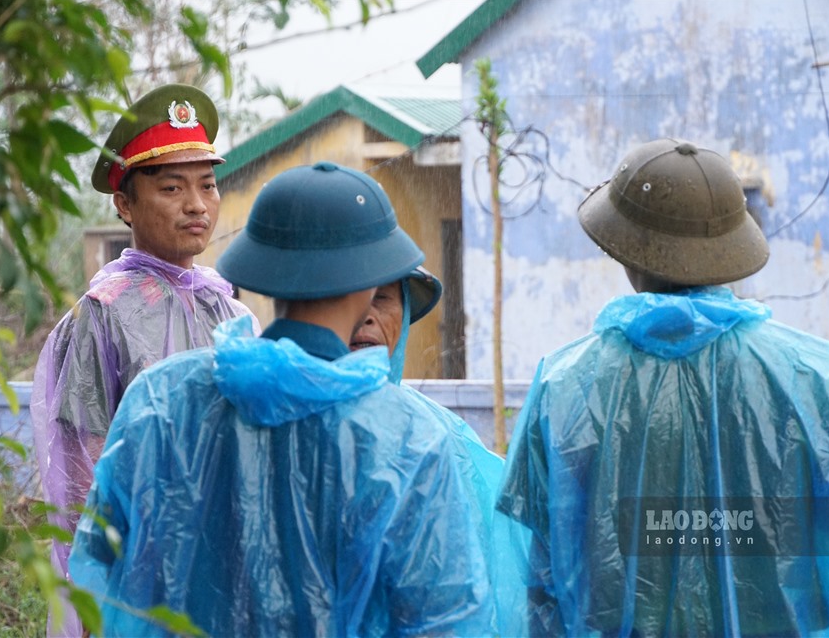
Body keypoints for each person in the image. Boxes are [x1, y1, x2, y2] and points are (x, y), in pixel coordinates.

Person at [496, 138, 829, 636]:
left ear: (623, 250)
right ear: (731, 249)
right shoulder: (812, 375)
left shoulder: (567, 385)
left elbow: (545, 574)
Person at [68, 162, 494, 637]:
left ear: (266, 270)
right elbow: (446, 619)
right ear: (372, 278)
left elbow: (99, 567)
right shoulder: (409, 438)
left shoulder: (161, 400)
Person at [30, 83, 256, 637]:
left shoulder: (227, 308)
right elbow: (83, 472)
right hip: (139, 577)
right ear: (124, 203)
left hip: (226, 570)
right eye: (173, 187)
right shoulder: (101, 315)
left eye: (207, 185)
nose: (197, 204)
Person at [350, 268, 528, 635]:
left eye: (382, 298)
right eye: (349, 294)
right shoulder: (278, 425)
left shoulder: (439, 437)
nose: (366, 315)